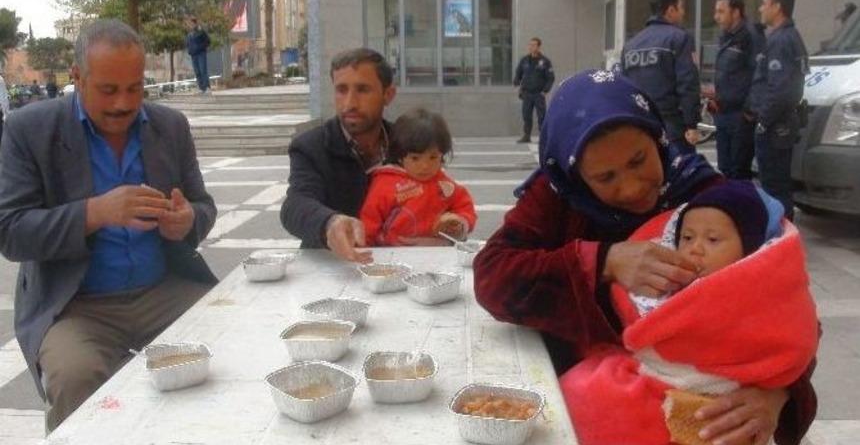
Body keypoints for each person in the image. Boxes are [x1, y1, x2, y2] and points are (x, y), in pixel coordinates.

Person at [472, 69, 817, 445]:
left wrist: (777, 394)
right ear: (576, 177)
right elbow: (493, 275)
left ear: (657, 137)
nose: (633, 187)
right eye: (605, 178)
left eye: (639, 161)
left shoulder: (708, 197)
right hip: (587, 400)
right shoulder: (557, 196)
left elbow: (788, 301)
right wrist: (603, 262)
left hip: (695, 405)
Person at [0, 19, 218, 431]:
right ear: (78, 77)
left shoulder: (170, 126)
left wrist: (187, 220)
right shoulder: (29, 130)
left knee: (230, 342)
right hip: (77, 306)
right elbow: (11, 231)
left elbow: (202, 206)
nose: (123, 103)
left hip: (164, 290)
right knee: (74, 377)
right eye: (108, 90)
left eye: (135, 88)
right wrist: (94, 212)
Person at [562, 180, 819, 444]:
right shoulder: (666, 283)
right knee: (578, 392)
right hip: (652, 375)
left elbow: (789, 343)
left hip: (707, 391)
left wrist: (779, 390)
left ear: (750, 249)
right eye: (686, 237)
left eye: (713, 239)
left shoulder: (759, 295)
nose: (695, 248)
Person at [280, 48, 397, 264]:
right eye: (341, 90)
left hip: (397, 266)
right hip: (332, 268)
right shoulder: (310, 146)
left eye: (363, 90)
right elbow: (295, 204)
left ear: (388, 95)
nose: (350, 103)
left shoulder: (407, 144)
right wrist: (329, 223)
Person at [359, 108, 477, 246]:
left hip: (437, 252)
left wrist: (459, 223)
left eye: (433, 157)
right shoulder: (385, 184)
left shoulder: (444, 185)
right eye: (415, 158)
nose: (425, 166)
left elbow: (464, 207)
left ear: (442, 155)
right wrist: (363, 247)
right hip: (394, 253)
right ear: (400, 156)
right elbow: (369, 220)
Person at [750, 0, 808, 220]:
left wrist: (763, 120)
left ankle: (779, 238)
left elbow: (780, 88)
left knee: (774, 187)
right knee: (778, 185)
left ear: (777, 7)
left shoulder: (782, 40)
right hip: (781, 124)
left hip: (776, 127)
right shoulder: (790, 37)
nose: (761, 9)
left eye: (765, 4)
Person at [621, 0, 701, 153]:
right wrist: (691, 124)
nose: (683, 12)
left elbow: (623, 88)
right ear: (670, 10)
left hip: (640, 127)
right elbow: (688, 83)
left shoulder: (630, 46)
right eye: (681, 7)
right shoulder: (680, 38)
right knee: (679, 175)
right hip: (672, 129)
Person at [708, 0, 765, 179]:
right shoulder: (726, 37)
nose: (716, 17)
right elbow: (727, 75)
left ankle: (742, 208)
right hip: (723, 113)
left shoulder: (750, 36)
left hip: (740, 116)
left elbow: (759, 74)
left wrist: (749, 111)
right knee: (725, 169)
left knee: (738, 172)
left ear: (736, 12)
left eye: (721, 11)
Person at [513, 37, 554, 143]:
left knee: (541, 116)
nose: (531, 47)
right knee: (526, 115)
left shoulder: (545, 61)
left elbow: (550, 78)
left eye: (534, 45)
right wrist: (517, 83)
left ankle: (543, 136)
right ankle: (526, 136)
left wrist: (545, 91)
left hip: (538, 94)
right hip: (526, 93)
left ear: (539, 47)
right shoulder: (524, 60)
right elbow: (518, 73)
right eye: (530, 45)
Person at [186, 17, 212, 94]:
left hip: (201, 54)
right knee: (197, 72)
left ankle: (207, 87)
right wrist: (189, 51)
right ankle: (201, 88)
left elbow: (208, 41)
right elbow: (188, 44)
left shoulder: (201, 32)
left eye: (191, 23)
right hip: (193, 55)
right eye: (189, 24)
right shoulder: (189, 34)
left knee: (203, 70)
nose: (189, 25)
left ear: (195, 23)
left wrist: (200, 48)